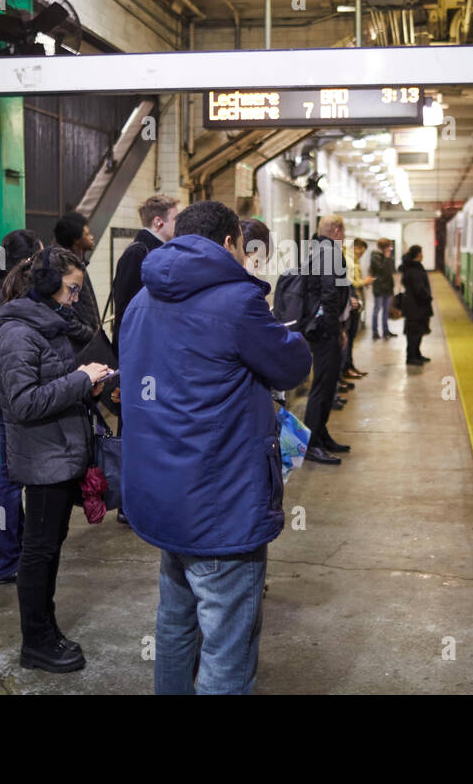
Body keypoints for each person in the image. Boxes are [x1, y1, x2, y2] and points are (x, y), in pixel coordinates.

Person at [119, 201, 310, 694]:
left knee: (176, 625)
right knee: (228, 645)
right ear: (229, 243)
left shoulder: (142, 300)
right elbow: (291, 366)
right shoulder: (237, 304)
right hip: (221, 504)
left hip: (162, 499)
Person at [0, 247, 112, 673]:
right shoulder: (18, 334)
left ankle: (47, 631)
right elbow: (24, 402)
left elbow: (55, 382)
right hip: (43, 459)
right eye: (72, 288)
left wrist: (87, 386)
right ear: (48, 285)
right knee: (38, 553)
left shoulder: (49, 326)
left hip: (61, 454)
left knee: (49, 549)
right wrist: (80, 379)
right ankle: (37, 644)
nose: (76, 297)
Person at [0, 228, 42, 584]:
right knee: (10, 479)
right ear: (28, 257)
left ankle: (11, 552)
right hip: (9, 397)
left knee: (11, 476)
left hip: (0, 395)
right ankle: (3, 561)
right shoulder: (10, 295)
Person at [301, 215, 351, 464]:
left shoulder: (317, 249)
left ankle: (321, 433)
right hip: (324, 332)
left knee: (327, 385)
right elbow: (330, 295)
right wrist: (336, 330)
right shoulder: (330, 253)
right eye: (344, 231)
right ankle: (311, 443)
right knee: (322, 387)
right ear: (336, 230)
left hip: (319, 328)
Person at [113, 195, 178, 351]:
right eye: (176, 219)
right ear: (158, 222)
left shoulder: (154, 251)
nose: (180, 224)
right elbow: (127, 307)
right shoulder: (137, 253)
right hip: (138, 344)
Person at [53, 212, 101, 340]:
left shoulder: (78, 264)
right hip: (77, 347)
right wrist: (90, 334)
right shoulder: (65, 269)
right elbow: (63, 313)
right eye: (87, 234)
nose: (91, 237)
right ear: (76, 240)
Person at [341, 238, 373, 381]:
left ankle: (349, 366)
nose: (361, 255)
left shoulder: (351, 260)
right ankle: (347, 368)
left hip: (354, 303)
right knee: (349, 338)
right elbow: (349, 283)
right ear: (355, 248)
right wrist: (363, 282)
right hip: (351, 305)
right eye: (361, 251)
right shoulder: (348, 261)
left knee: (351, 338)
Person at [399, 244, 434, 365]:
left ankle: (416, 354)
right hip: (416, 306)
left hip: (412, 305)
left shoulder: (409, 267)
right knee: (415, 333)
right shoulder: (415, 270)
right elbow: (419, 289)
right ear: (419, 254)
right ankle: (412, 357)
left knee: (415, 332)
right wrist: (428, 297)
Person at [368, 238, 397, 340]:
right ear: (384, 247)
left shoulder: (387, 256)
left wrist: (388, 258)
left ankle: (386, 331)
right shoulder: (374, 256)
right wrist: (387, 257)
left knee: (386, 310)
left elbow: (392, 269)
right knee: (377, 309)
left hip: (388, 287)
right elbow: (382, 270)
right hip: (379, 288)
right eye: (389, 246)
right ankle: (375, 332)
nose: (390, 248)